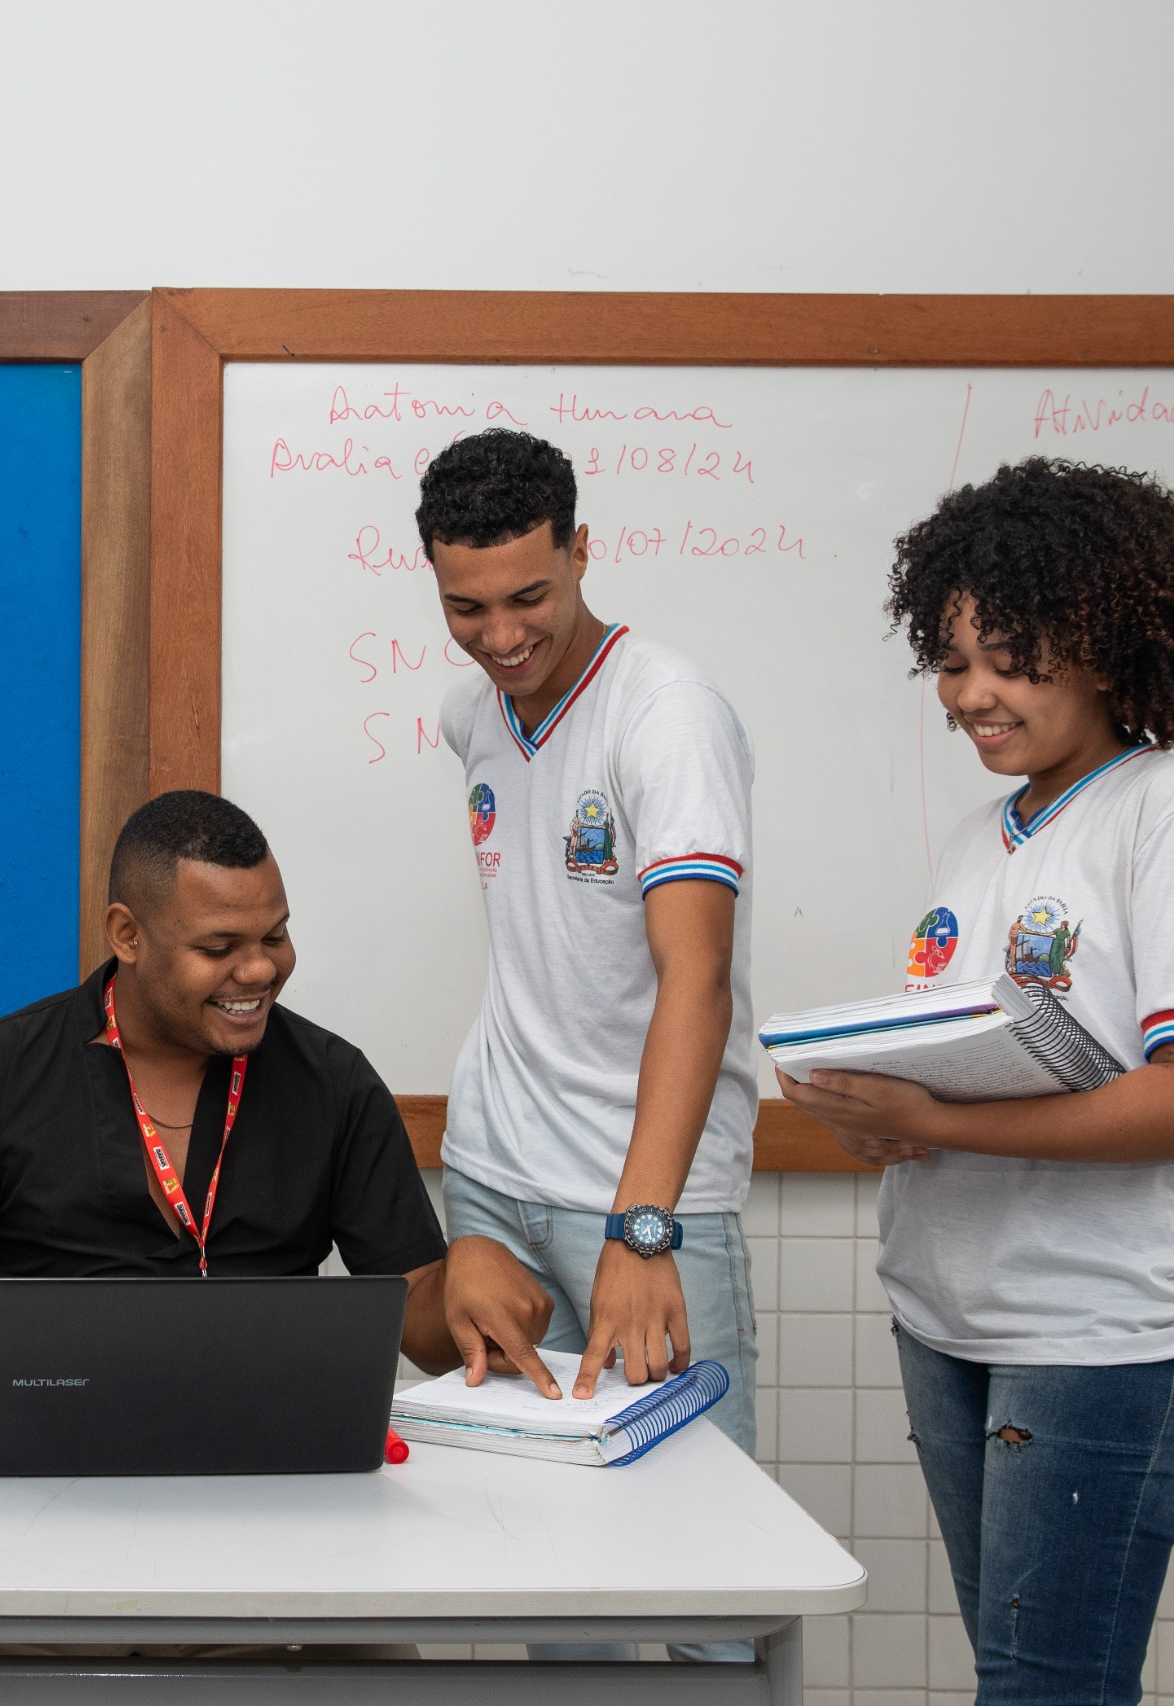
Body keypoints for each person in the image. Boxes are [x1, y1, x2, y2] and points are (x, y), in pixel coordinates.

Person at [780, 458, 1174, 1705]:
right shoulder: (980, 837)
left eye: (1011, 657)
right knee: (1022, 1675)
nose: (971, 694)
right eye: (950, 661)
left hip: (1104, 1324)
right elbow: (977, 1073)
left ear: (1108, 649)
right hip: (952, 1312)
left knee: (1047, 1687)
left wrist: (939, 1114)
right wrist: (880, 1120)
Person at [0, 789, 553, 1393]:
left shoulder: (334, 1082)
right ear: (127, 935)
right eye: (219, 948)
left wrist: (464, 1274)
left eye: (275, 936)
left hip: (272, 1445)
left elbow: (421, 1326)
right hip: (57, 1429)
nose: (258, 970)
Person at [422, 430, 759, 1667]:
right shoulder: (470, 715)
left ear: (580, 549)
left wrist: (644, 1225)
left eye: (529, 596)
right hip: (495, 1185)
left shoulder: (664, 711)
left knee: (702, 1585)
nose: (500, 635)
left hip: (639, 1203)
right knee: (545, 1580)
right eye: (465, 606)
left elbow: (698, 977)